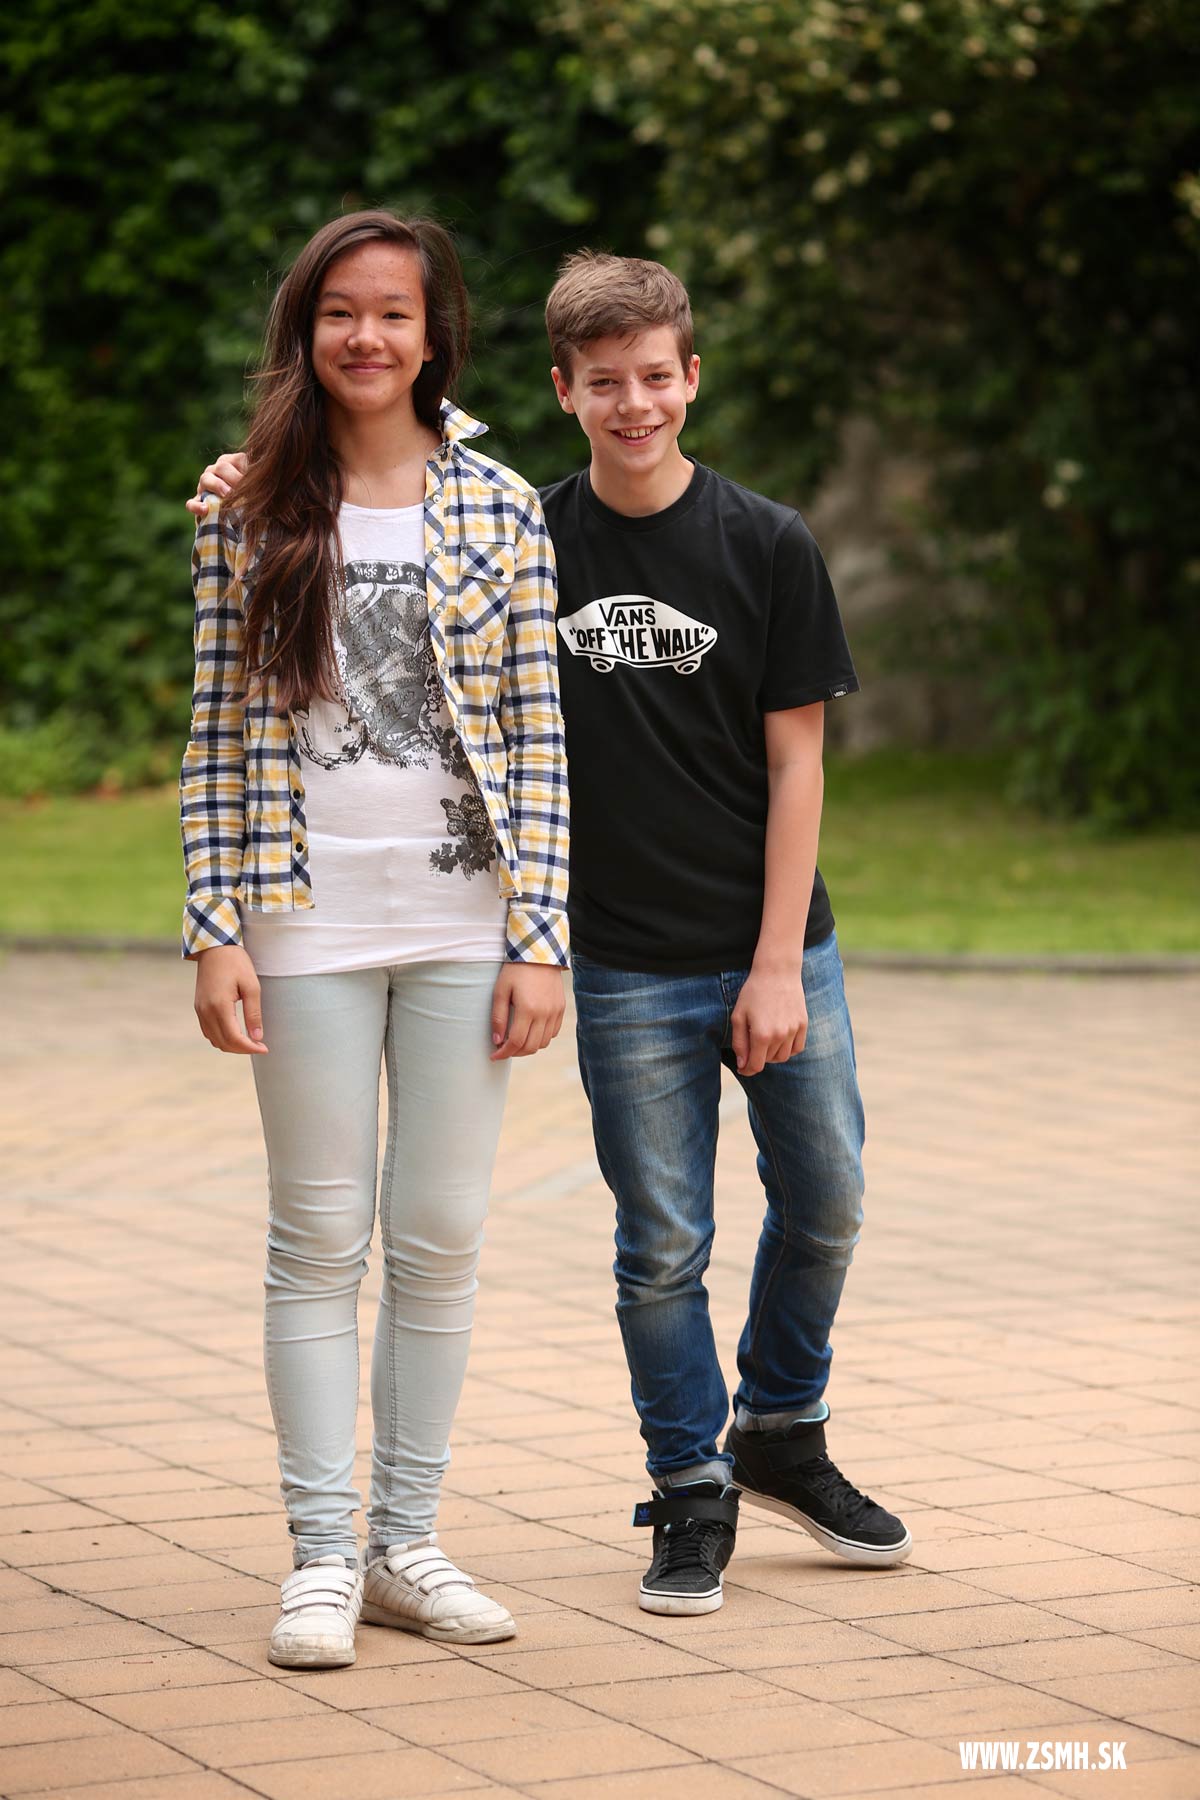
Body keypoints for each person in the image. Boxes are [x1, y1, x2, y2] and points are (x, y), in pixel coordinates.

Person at [189, 250, 911, 1623]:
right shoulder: (419, 517)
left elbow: (690, 757)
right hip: (481, 941)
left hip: (632, 933)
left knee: (799, 1203)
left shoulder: (663, 529)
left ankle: (751, 1437)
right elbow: (243, 699)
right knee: (590, 1242)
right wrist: (213, 919)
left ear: (692, 379)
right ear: (564, 389)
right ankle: (625, 1498)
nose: (636, 404)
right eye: (604, 382)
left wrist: (702, 953)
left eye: (658, 378)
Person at [180, 210, 569, 1670]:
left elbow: (541, 738)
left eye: (393, 313)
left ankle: (409, 1545)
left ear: (432, 335)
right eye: (340, 311)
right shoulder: (247, 505)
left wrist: (542, 936)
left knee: (443, 1233)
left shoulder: (501, 505)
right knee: (316, 1239)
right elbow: (216, 731)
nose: (366, 336)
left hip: (469, 923)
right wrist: (213, 925)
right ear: (307, 327)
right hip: (302, 921)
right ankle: (322, 1557)